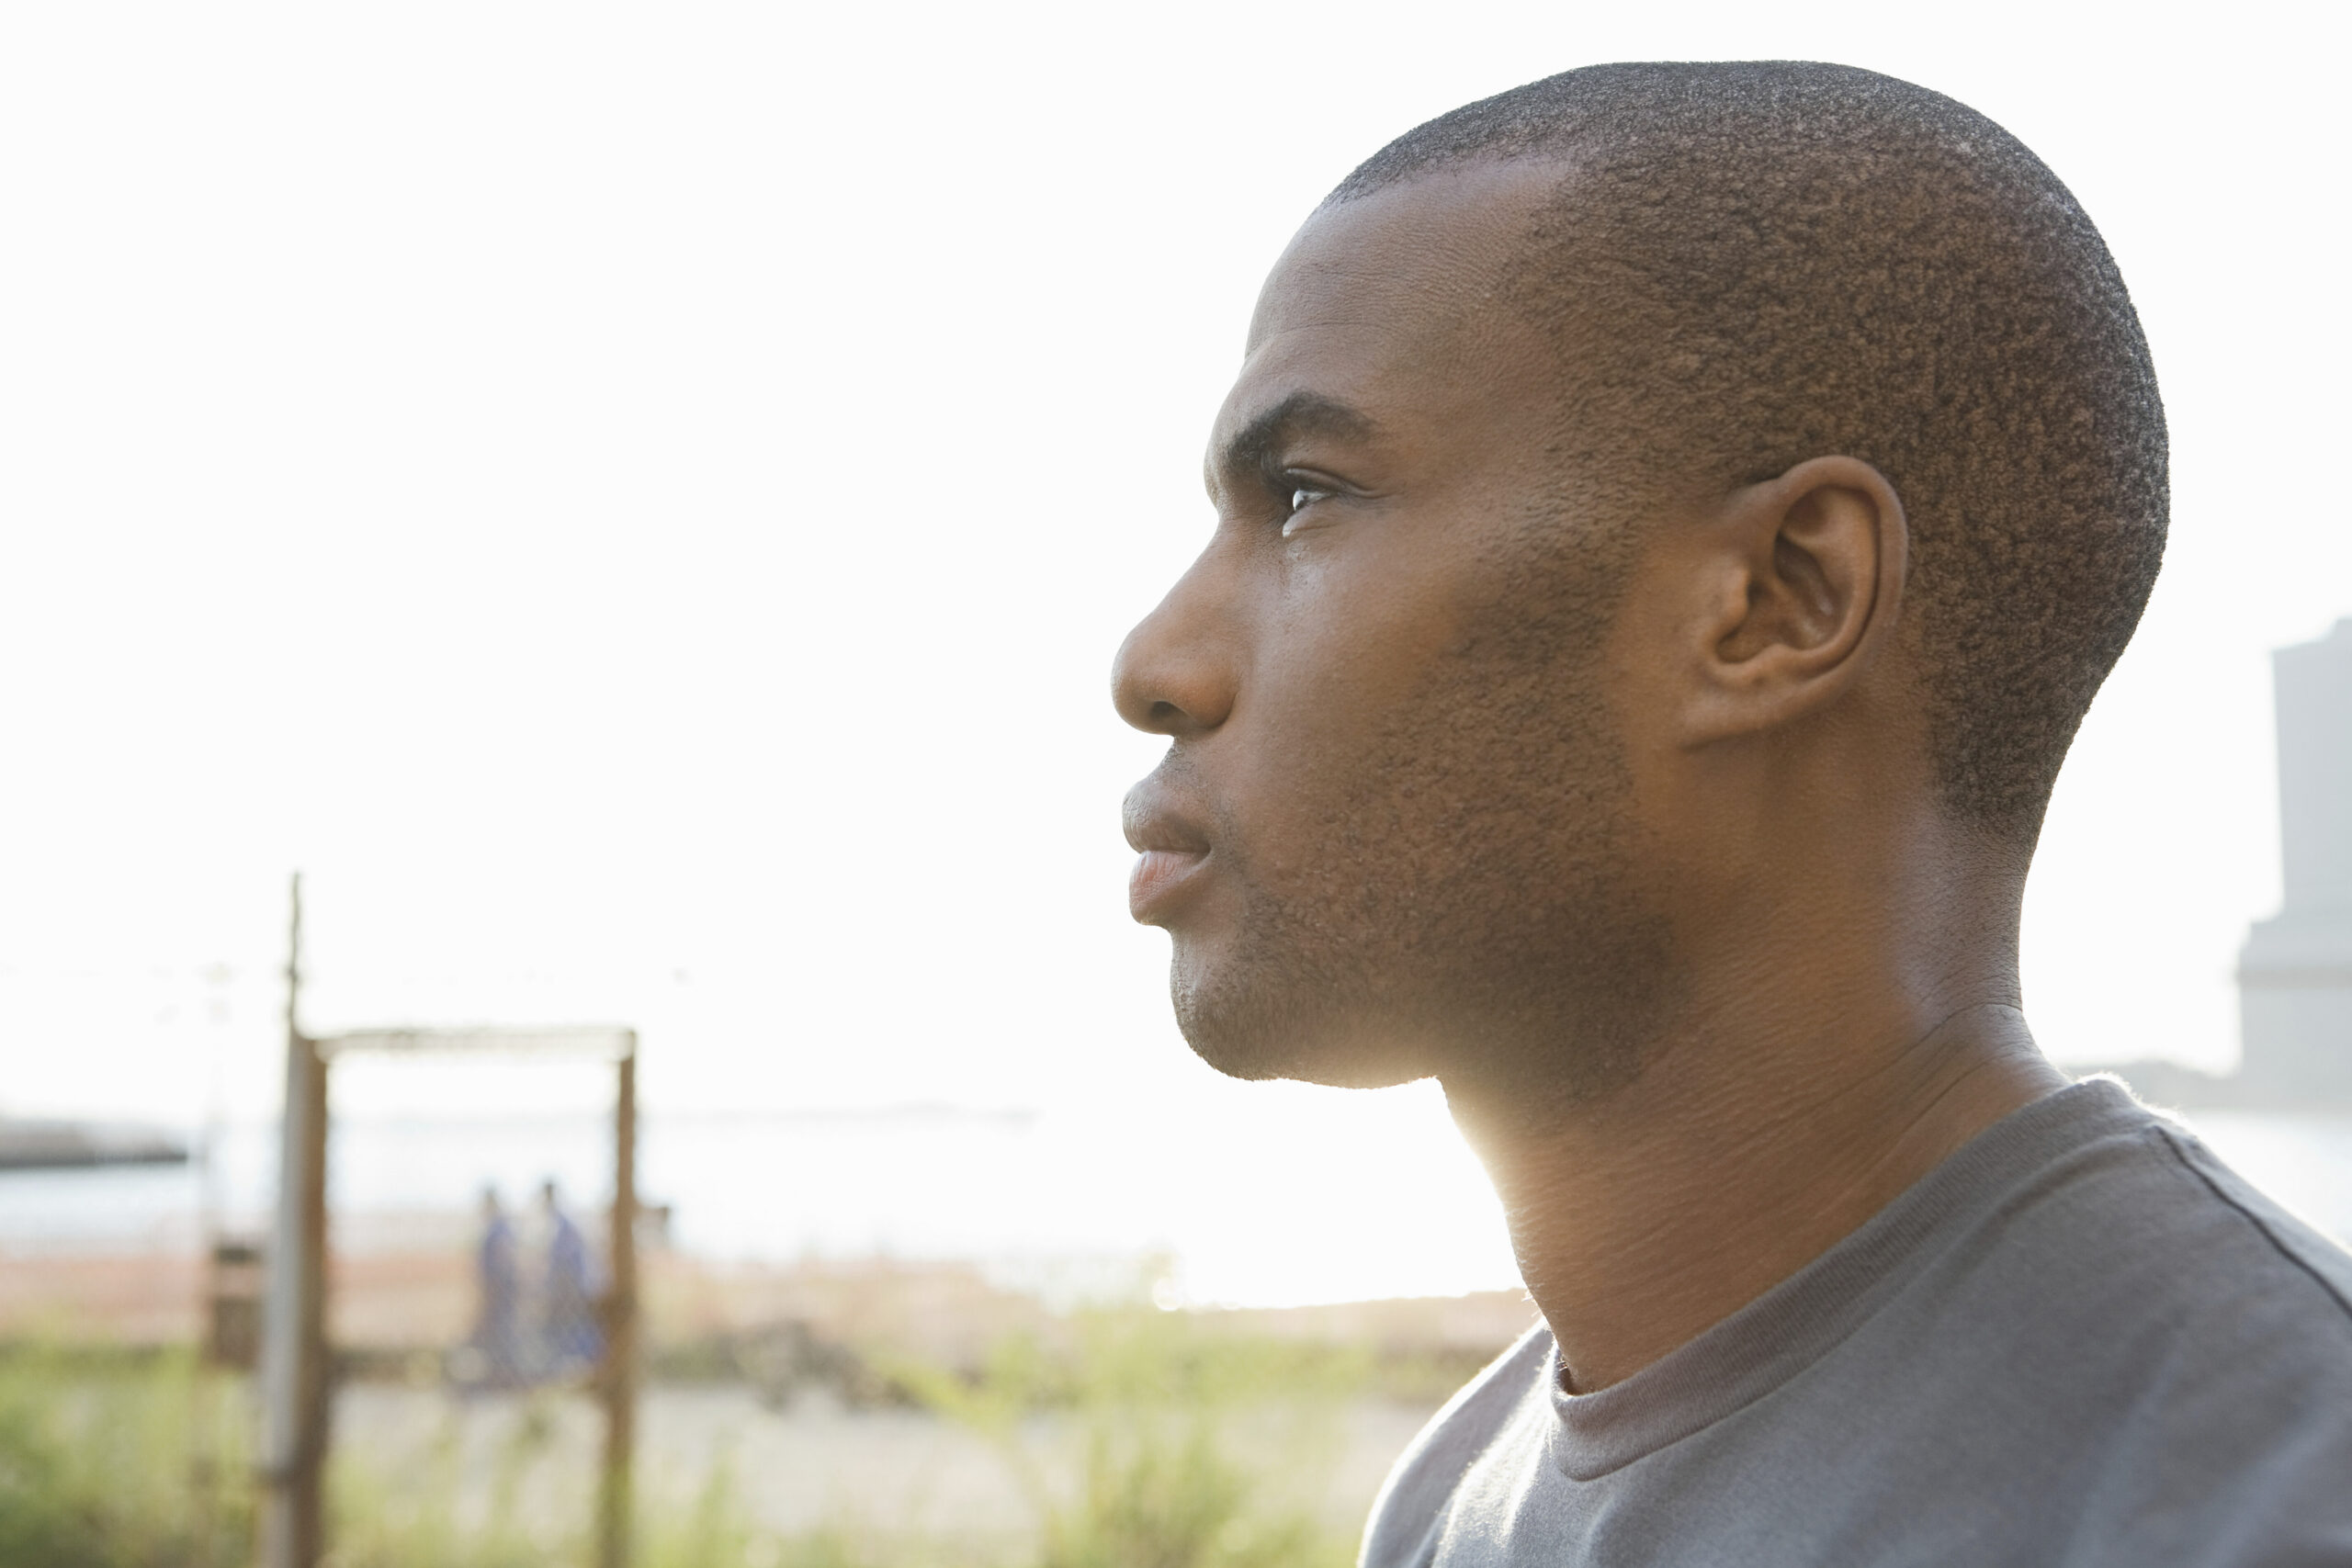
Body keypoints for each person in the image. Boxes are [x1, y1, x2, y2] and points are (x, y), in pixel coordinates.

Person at [1112, 62, 2352, 1565]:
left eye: (1307, 494)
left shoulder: (2274, 1494)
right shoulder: (1455, 1510)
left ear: (1777, 603)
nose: (1155, 666)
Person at [537, 1179, 605, 1377]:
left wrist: (552, 1292)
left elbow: (565, 1268)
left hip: (575, 1292)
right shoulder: (564, 1224)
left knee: (574, 1333)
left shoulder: (564, 1226)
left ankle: (580, 1369)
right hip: (575, 1292)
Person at [469, 1185, 521, 1387]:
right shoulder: (501, 1228)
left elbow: (502, 1264)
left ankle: (503, 1377)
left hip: (500, 1295)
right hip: (501, 1295)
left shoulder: (498, 1230)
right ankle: (501, 1376)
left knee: (502, 1335)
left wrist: (490, 1295)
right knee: (500, 1336)